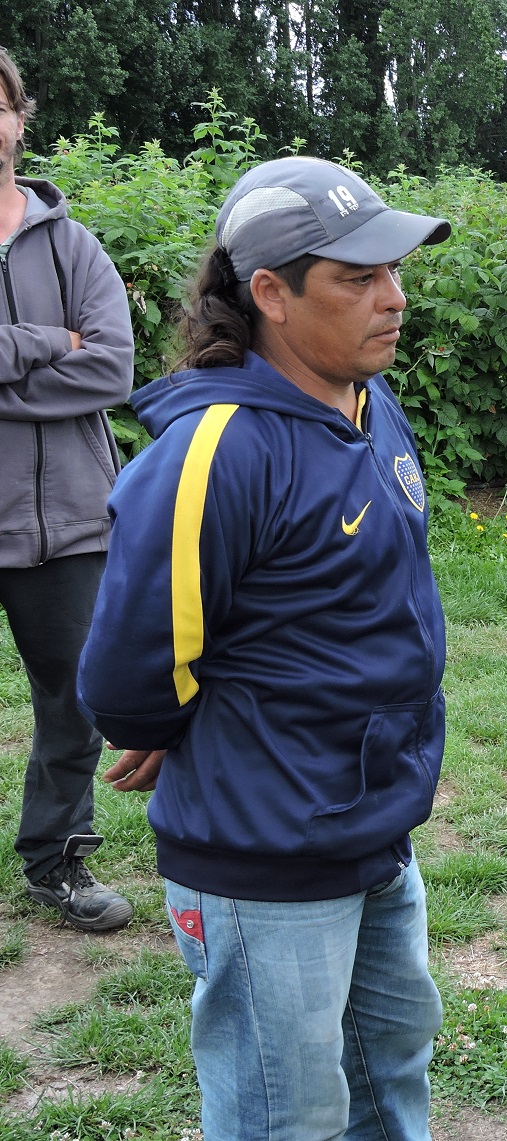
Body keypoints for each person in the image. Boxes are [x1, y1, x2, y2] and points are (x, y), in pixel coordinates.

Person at [76, 156, 451, 1140]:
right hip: (266, 848)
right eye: (358, 278)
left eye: (394, 271)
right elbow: (127, 666)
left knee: (390, 1074)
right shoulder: (219, 448)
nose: (394, 298)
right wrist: (171, 725)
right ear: (272, 295)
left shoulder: (369, 406)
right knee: (286, 1117)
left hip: (375, 823)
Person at [0, 46, 135, 931]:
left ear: (19, 118)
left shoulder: (74, 245)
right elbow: (79, 355)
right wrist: (51, 342)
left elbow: (113, 368)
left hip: (68, 522)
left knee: (77, 700)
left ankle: (57, 860)